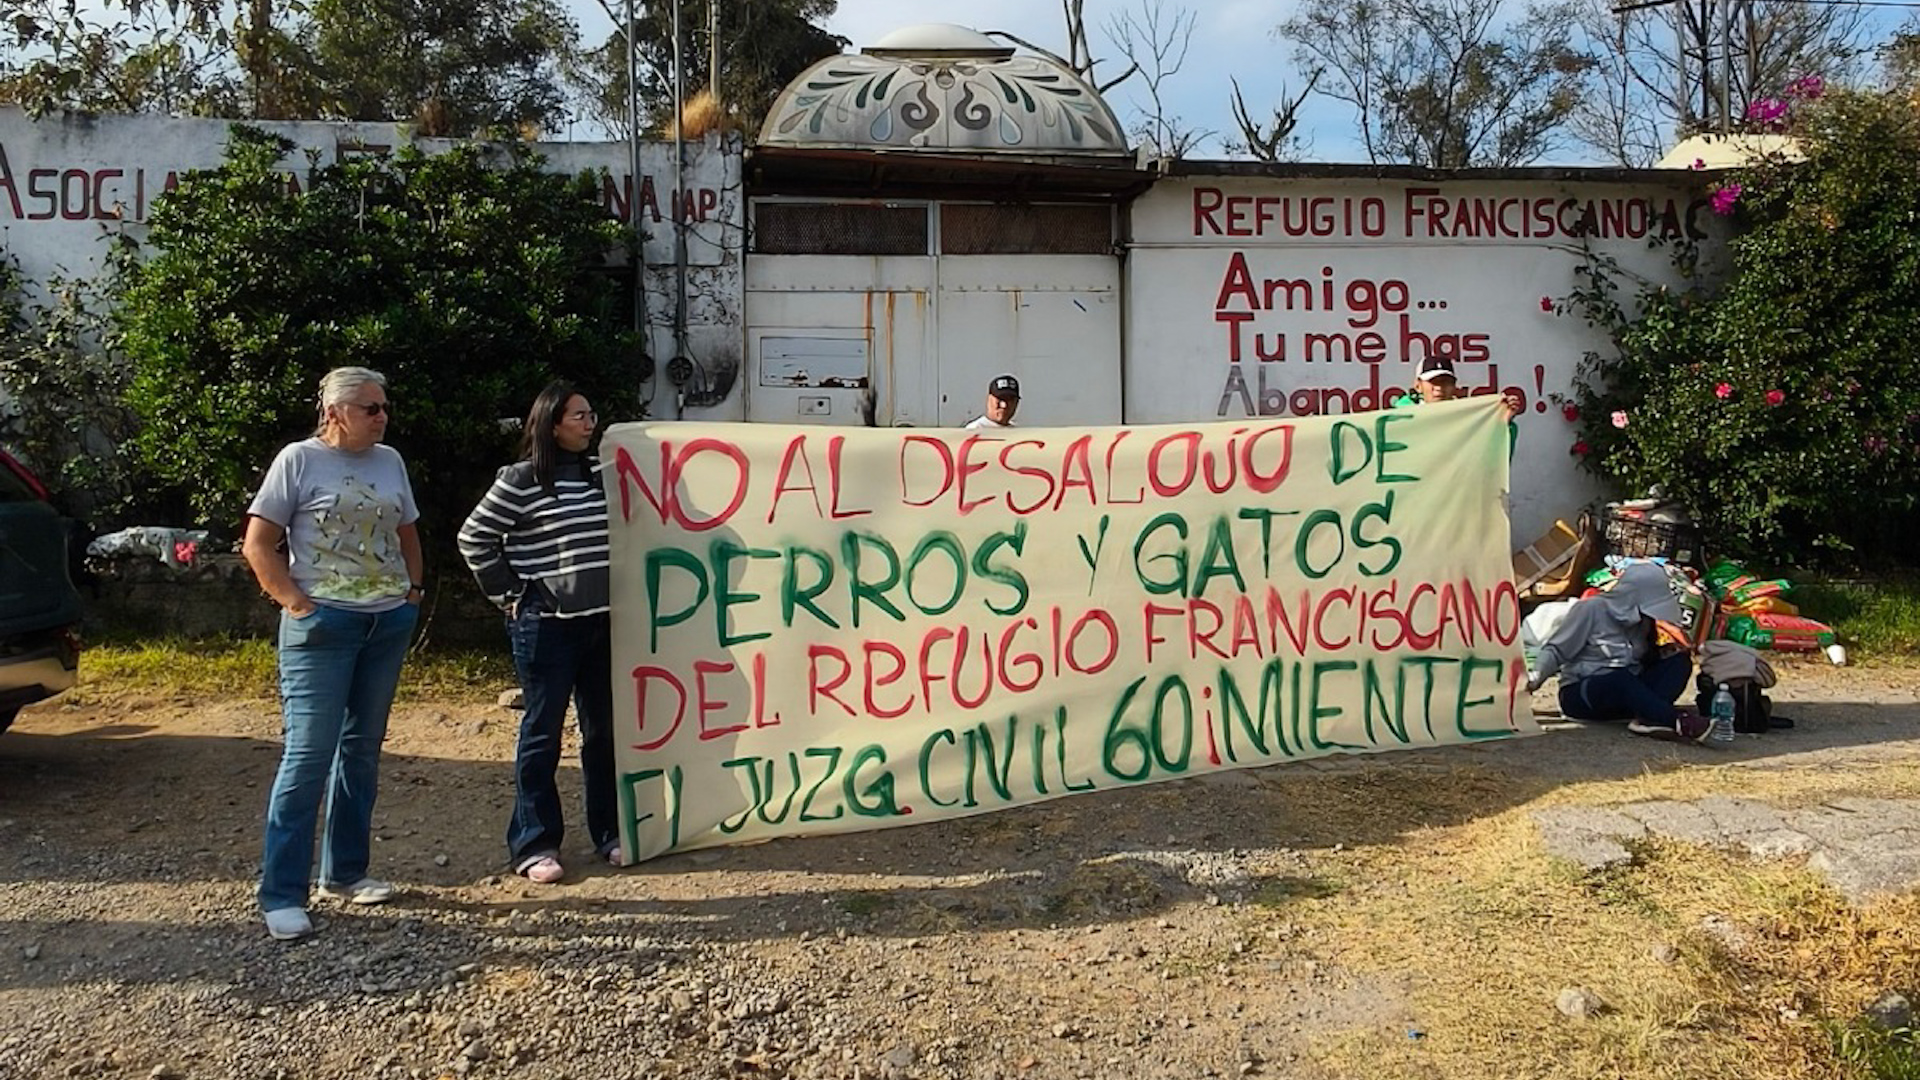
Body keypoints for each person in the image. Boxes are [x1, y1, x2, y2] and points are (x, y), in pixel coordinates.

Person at [243, 367, 424, 941]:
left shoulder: (390, 461)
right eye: (371, 407)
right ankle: (281, 894)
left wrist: (412, 595)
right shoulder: (298, 460)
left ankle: (345, 873)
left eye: (384, 406)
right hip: (322, 628)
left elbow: (409, 532)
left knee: (362, 753)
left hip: (385, 623)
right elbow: (258, 542)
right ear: (336, 412)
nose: (382, 416)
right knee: (307, 757)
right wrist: (297, 605)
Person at [457, 381, 619, 884]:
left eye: (592, 414)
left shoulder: (603, 476)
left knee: (605, 734)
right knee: (542, 733)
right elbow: (474, 536)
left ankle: (611, 831)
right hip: (547, 627)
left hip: (603, 621)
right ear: (551, 424)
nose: (589, 424)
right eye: (579, 416)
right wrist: (512, 592)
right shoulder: (522, 479)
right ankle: (534, 842)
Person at [1526, 562, 1712, 742]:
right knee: (1619, 679)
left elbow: (1643, 659)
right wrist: (1535, 678)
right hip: (1583, 694)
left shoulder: (1643, 623)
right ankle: (1675, 721)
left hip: (1627, 692)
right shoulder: (1591, 610)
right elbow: (1556, 650)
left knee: (1679, 661)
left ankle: (1647, 717)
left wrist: (1664, 654)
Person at [1388, 357, 1521, 456]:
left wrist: (1502, 424)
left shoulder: (1468, 420)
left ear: (1454, 386)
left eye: (1446, 382)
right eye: (1433, 381)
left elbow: (1490, 463)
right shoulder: (1397, 420)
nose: (1439, 387)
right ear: (1418, 385)